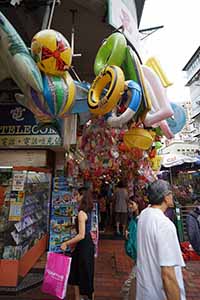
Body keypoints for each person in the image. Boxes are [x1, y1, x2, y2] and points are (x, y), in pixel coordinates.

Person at [136, 179, 186, 300]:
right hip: (159, 296)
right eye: (171, 194)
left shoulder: (144, 215)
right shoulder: (164, 225)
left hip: (145, 293)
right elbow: (168, 273)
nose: (172, 196)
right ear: (165, 197)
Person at [61, 188, 95, 300]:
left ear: (82, 197)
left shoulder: (81, 213)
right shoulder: (89, 210)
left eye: (78, 195)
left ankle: (82, 296)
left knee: (80, 271)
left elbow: (81, 235)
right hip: (86, 244)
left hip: (83, 245)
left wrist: (66, 243)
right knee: (84, 271)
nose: (76, 198)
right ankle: (83, 296)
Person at [121, 197, 142, 300]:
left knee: (128, 283)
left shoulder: (141, 219)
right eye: (129, 204)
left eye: (132, 204)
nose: (129, 206)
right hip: (137, 254)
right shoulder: (134, 217)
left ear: (138, 204)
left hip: (142, 255)